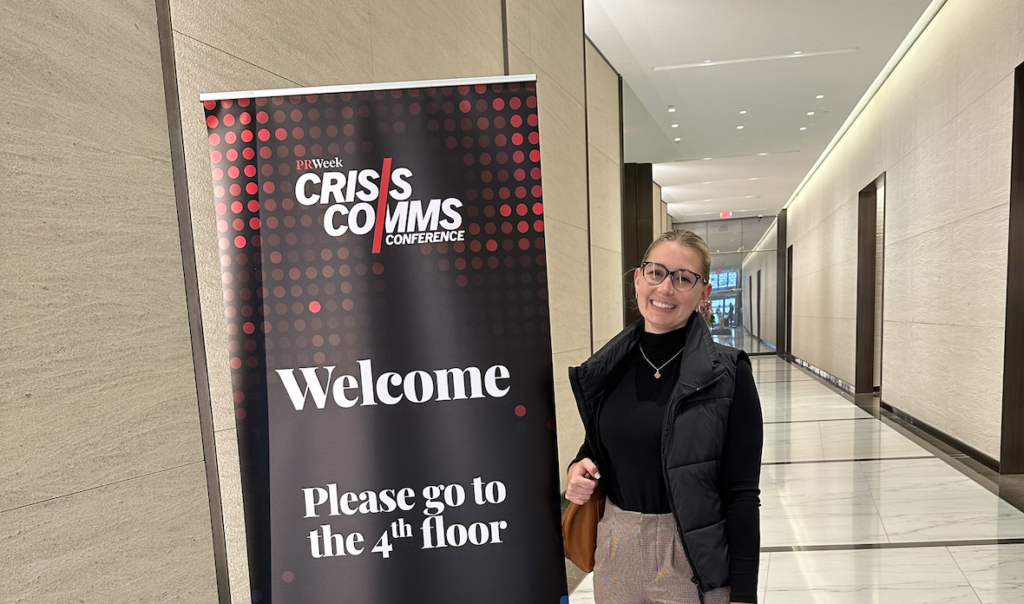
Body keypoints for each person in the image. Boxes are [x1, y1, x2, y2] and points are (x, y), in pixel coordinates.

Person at [565, 229, 763, 604]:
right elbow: (602, 445)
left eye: (683, 278)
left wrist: (744, 594)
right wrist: (579, 466)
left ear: (704, 293)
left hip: (691, 556)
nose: (666, 288)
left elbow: (741, 495)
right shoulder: (609, 368)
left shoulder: (729, 374)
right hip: (616, 548)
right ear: (639, 278)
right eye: (656, 272)